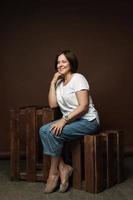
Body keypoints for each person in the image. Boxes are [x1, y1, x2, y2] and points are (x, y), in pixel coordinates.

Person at [39, 50, 100, 193]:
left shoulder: (78, 78)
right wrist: (53, 82)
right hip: (72, 122)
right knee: (43, 130)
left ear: (71, 63)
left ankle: (53, 174)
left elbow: (84, 106)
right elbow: (53, 104)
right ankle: (63, 168)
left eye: (64, 61)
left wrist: (64, 120)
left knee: (53, 133)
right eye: (58, 62)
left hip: (88, 121)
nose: (60, 65)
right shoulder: (59, 84)